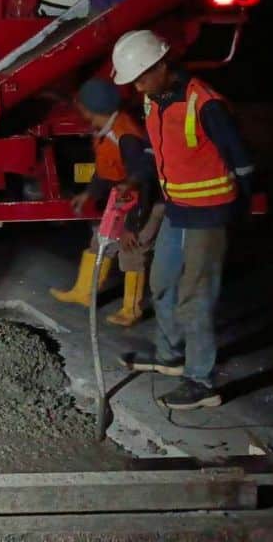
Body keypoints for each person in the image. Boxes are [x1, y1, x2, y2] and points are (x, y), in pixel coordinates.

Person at [111, 31, 255, 411]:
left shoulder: (204, 104)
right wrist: (135, 181)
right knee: (161, 282)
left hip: (208, 213)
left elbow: (242, 160)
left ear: (162, 65)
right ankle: (170, 355)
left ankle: (201, 380)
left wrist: (242, 207)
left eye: (142, 77)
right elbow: (154, 152)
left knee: (195, 296)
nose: (137, 86)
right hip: (178, 208)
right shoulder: (153, 100)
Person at [50, 78, 162, 326]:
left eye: (83, 108)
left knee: (131, 251)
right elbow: (106, 170)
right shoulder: (106, 131)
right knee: (100, 242)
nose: (81, 112)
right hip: (123, 197)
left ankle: (131, 310)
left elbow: (143, 183)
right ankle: (83, 293)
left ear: (93, 109)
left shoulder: (126, 137)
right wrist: (89, 193)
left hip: (145, 202)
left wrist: (131, 227)